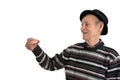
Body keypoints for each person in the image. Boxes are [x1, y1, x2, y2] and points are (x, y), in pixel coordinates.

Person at [25, 9, 120, 80]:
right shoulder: (72, 50)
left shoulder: (112, 57)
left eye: (86, 24)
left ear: (100, 26)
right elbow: (51, 65)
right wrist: (35, 49)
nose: (81, 28)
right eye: (81, 25)